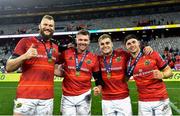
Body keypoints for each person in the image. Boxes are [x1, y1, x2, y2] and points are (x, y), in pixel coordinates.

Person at [6, 15, 59, 115]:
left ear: (54, 29)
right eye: (45, 24)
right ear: (39, 26)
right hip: (25, 97)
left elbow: (54, 68)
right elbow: (8, 67)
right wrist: (25, 56)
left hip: (47, 100)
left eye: (51, 25)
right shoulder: (25, 42)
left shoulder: (55, 47)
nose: (48, 27)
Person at [95, 34, 153, 116]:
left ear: (112, 44)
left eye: (107, 43)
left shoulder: (122, 54)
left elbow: (136, 53)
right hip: (106, 100)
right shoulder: (97, 59)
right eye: (102, 44)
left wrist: (145, 48)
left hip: (123, 99)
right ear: (99, 46)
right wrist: (98, 86)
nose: (105, 46)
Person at [124, 34, 173, 116]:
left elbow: (169, 71)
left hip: (160, 99)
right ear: (126, 47)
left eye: (133, 42)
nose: (132, 45)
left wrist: (163, 74)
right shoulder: (127, 61)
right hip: (143, 101)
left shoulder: (152, 53)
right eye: (128, 44)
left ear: (138, 43)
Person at [59, 29, 103, 116]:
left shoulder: (94, 58)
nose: (83, 42)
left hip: (84, 96)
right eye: (80, 40)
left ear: (89, 41)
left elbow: (98, 77)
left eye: (85, 40)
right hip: (67, 96)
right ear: (76, 40)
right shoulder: (66, 53)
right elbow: (55, 64)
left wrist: (99, 88)